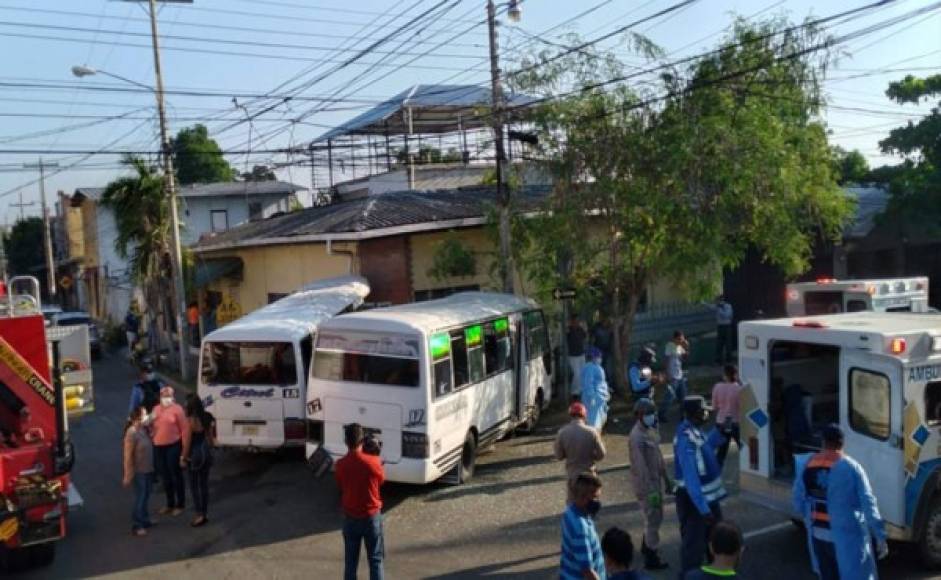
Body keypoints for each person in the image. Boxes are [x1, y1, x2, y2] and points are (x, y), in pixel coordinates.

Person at [792, 424, 887, 580]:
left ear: (823, 442)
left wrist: (809, 517)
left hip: (818, 536)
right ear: (842, 443)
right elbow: (868, 503)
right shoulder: (851, 467)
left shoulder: (808, 464)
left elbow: (797, 500)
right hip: (846, 538)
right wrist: (880, 535)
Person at [674, 396, 727, 577]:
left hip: (705, 500)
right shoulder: (686, 439)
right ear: (694, 414)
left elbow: (706, 445)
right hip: (696, 502)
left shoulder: (695, 431)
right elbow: (691, 479)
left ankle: (712, 573)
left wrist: (719, 432)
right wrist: (703, 509)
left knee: (715, 539)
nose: (707, 414)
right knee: (694, 546)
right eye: (704, 411)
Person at [335, 422, 386, 580]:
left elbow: (341, 484)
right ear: (362, 441)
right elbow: (381, 480)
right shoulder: (373, 462)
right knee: (376, 561)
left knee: (350, 563)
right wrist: (375, 456)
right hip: (371, 518)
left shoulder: (340, 465)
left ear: (346, 441)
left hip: (350, 518)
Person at [628, 399, 671, 571]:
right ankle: (652, 556)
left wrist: (666, 479)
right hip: (647, 485)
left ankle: (647, 546)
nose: (651, 416)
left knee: (655, 516)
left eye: (652, 413)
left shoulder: (650, 431)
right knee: (653, 518)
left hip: (655, 481)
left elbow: (658, 457)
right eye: (647, 413)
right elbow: (640, 467)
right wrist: (651, 490)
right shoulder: (636, 437)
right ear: (639, 415)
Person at [555, 402, 606, 504]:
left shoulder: (562, 432)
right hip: (589, 476)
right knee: (591, 505)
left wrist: (569, 454)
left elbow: (559, 456)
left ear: (570, 415)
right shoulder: (592, 432)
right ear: (584, 415)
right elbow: (602, 454)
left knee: (573, 507)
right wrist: (592, 456)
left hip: (573, 477)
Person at [152, 385, 190, 517]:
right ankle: (169, 503)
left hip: (173, 446)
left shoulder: (177, 410)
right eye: (164, 396)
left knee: (176, 475)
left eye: (168, 396)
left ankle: (180, 504)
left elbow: (185, 431)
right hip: (158, 447)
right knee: (165, 476)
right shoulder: (156, 409)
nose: (166, 398)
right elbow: (150, 424)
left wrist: (184, 452)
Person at [560, 472, 606, 580]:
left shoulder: (569, 512)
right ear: (584, 498)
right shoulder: (581, 528)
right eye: (595, 498)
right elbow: (587, 570)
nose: (598, 502)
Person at [182, 393, 215, 528]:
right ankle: (205, 513)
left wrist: (183, 458)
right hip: (206, 454)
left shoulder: (191, 421)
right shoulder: (207, 417)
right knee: (204, 485)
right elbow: (211, 440)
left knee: (194, 485)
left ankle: (199, 514)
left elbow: (188, 443)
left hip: (194, 456)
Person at [122, 404, 154, 537]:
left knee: (146, 495)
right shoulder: (132, 433)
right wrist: (128, 475)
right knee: (140, 497)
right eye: (145, 415)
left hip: (147, 469)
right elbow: (128, 456)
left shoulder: (143, 429)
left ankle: (145, 520)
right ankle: (137, 524)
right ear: (138, 418)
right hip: (139, 471)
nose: (147, 417)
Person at [711, 365, 743, 469]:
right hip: (734, 421)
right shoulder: (738, 388)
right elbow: (742, 406)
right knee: (743, 447)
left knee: (721, 452)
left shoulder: (717, 387)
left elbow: (714, 406)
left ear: (725, 375)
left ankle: (716, 473)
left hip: (721, 422)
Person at [662, 331, 690, 422]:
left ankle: (683, 415)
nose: (681, 341)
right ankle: (662, 414)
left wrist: (686, 348)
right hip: (672, 375)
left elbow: (685, 358)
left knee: (683, 396)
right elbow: (666, 360)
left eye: (682, 339)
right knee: (669, 397)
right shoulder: (670, 346)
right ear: (675, 338)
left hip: (679, 375)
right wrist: (667, 374)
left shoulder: (680, 347)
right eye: (680, 339)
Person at [581, 347, 611, 431]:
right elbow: (588, 383)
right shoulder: (590, 368)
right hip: (594, 397)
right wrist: (592, 396)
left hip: (599, 397)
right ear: (593, 357)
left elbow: (601, 382)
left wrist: (606, 392)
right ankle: (593, 438)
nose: (600, 359)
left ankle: (595, 436)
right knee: (593, 421)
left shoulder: (595, 367)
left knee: (598, 419)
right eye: (598, 357)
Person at [567, 315, 588, 397]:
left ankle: (579, 389)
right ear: (572, 322)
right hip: (573, 355)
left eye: (578, 321)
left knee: (582, 373)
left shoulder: (580, 329)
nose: (577, 323)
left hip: (581, 354)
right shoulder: (569, 329)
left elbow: (585, 336)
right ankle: (574, 391)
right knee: (576, 373)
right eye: (575, 321)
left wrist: (585, 329)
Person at [714, 296, 734, 364]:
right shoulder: (717, 306)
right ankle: (718, 359)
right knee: (719, 344)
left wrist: (720, 309)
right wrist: (703, 303)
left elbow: (727, 315)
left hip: (727, 326)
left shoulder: (728, 306)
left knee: (728, 343)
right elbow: (710, 307)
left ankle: (729, 359)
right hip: (720, 326)